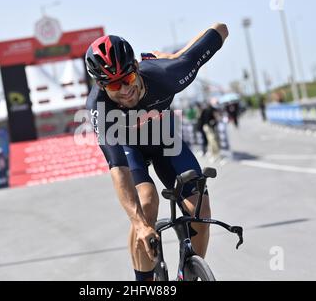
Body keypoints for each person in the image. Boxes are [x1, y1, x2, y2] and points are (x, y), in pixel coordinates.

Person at [85, 23, 228, 281]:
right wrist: (140, 225)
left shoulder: (166, 74)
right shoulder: (99, 107)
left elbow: (221, 29)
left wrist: (176, 57)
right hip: (129, 149)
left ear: (136, 68)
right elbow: (118, 169)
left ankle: (191, 274)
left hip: (164, 139)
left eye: (127, 79)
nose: (125, 90)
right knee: (147, 201)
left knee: (200, 210)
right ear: (101, 85)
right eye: (114, 86)